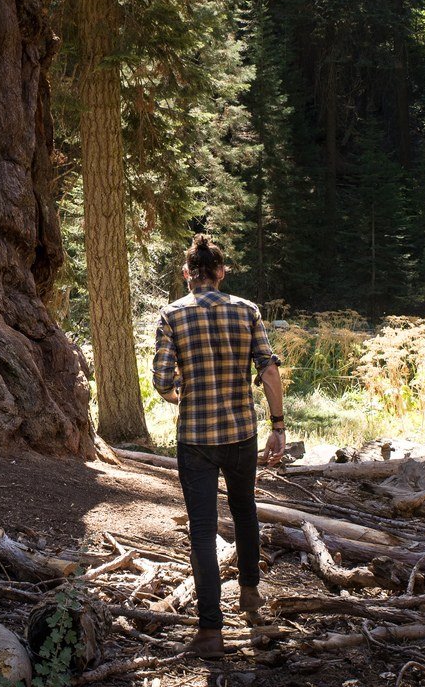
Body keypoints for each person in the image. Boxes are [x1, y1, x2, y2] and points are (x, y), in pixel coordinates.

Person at [151, 234, 286, 659]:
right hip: (242, 433)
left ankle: (210, 632)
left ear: (187, 274)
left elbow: (161, 382)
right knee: (245, 512)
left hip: (196, 440)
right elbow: (268, 372)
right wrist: (278, 425)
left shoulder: (172, 315)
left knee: (203, 531)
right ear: (222, 272)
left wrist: (181, 396)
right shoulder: (247, 311)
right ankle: (250, 595)